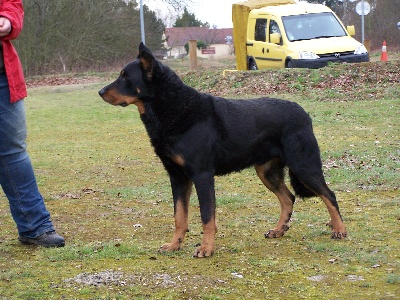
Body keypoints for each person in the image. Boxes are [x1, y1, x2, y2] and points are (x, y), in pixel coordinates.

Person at [0, 0, 64, 247]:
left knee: (13, 152)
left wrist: (8, 18)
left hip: (3, 78)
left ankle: (34, 227)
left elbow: (12, 4)